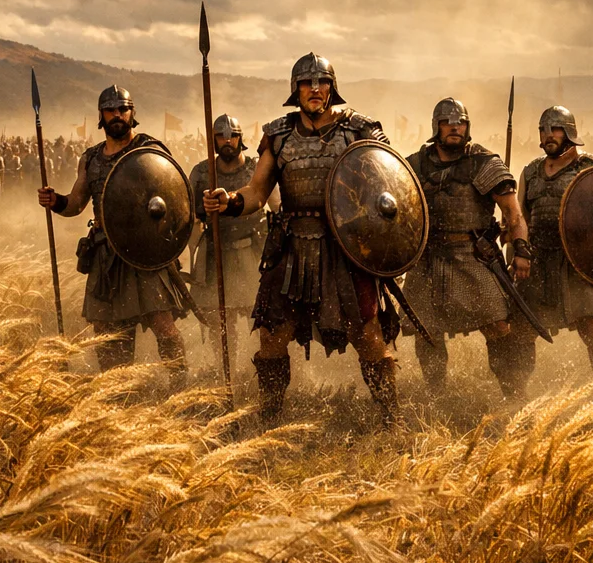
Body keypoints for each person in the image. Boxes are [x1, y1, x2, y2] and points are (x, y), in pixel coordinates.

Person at [203, 54, 400, 422]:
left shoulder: (359, 129)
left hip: (344, 249)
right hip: (292, 246)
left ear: (332, 89)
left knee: (369, 336)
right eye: (307, 83)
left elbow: (389, 190)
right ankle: (271, 415)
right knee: (273, 335)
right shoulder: (278, 134)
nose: (315, 89)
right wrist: (229, 201)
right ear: (296, 89)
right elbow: (257, 193)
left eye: (322, 82)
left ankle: (392, 416)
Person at [38, 85, 189, 382]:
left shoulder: (150, 150)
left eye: (122, 109)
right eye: (110, 110)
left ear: (132, 114)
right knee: (107, 332)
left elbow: (174, 199)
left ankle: (180, 385)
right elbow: (76, 204)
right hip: (106, 254)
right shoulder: (91, 159)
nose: (117, 115)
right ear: (101, 116)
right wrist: (55, 201)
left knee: (164, 324)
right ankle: (118, 392)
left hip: (145, 250)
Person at [402, 98, 534, 397]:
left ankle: (514, 392)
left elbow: (514, 215)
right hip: (427, 258)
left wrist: (522, 250)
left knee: (498, 325)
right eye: (448, 123)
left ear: (467, 127)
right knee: (427, 331)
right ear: (437, 127)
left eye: (459, 122)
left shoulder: (483, 162)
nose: (454, 128)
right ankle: (437, 395)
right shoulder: (415, 165)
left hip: (473, 257)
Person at [518, 106, 593, 378]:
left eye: (555, 128)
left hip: (578, 264)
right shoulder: (530, 172)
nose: (548, 135)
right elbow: (522, 221)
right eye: (543, 129)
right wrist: (520, 254)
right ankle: (516, 396)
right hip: (539, 264)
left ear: (570, 131)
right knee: (522, 333)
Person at [187, 114, 266, 361]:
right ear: (214, 141)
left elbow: (275, 205)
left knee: (263, 317)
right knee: (220, 321)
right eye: (222, 136)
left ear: (241, 139)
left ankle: (263, 369)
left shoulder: (255, 168)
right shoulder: (201, 173)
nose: (228, 141)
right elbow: (188, 213)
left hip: (251, 252)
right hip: (216, 254)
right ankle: (228, 373)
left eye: (232, 136)